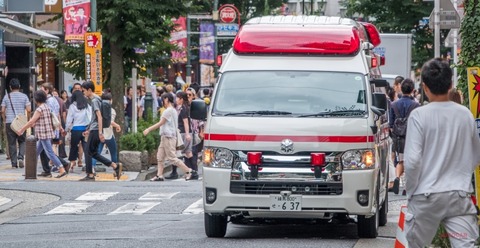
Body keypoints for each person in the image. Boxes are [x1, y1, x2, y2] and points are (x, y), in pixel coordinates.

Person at [404, 58, 480, 247]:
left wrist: (412, 192)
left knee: (416, 244)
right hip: (458, 196)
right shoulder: (465, 115)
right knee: (466, 245)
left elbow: (412, 161)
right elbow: (476, 155)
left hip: (426, 195)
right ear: (451, 85)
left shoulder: (419, 115)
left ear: (425, 87)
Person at [143, 93, 198, 181]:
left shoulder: (168, 111)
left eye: (163, 99)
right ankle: (159, 175)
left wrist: (149, 129)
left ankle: (190, 171)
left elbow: (161, 123)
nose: (162, 102)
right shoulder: (173, 110)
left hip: (168, 137)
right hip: (165, 136)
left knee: (172, 158)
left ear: (166, 99)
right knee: (160, 157)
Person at [16, 90, 69, 178]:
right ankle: (30, 171)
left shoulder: (39, 109)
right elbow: (52, 118)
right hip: (45, 134)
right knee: (35, 152)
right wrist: (60, 128)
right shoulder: (47, 107)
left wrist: (21, 129)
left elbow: (31, 121)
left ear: (36, 99)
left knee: (50, 153)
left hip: (43, 134)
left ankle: (61, 169)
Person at [81, 81, 122, 181]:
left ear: (89, 90)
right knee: (92, 152)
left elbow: (99, 117)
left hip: (96, 129)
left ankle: (90, 174)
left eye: (84, 91)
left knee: (89, 151)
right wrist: (89, 129)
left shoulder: (95, 100)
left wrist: (99, 132)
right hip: (95, 129)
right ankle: (114, 166)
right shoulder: (98, 99)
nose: (83, 93)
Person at [389, 78, 420, 195]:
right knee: (409, 163)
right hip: (411, 138)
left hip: (398, 138)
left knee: (400, 161)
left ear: (401, 88)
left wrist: (396, 133)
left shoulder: (394, 105)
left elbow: (391, 124)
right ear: (412, 90)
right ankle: (407, 187)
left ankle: (397, 178)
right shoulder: (416, 105)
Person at [1, 78, 31, 168]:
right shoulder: (24, 96)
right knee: (22, 140)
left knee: (11, 143)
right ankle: (20, 157)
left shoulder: (7, 97)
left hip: (10, 123)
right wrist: (28, 119)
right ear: (19, 86)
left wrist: (4, 119)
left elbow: (2, 110)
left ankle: (14, 164)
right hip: (21, 123)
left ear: (10, 87)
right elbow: (29, 110)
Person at [91, 92, 122, 170]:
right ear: (111, 100)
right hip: (108, 134)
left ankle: (92, 168)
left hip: (99, 132)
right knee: (113, 152)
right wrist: (117, 125)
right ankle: (115, 169)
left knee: (96, 152)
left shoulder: (98, 108)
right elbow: (110, 122)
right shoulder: (111, 110)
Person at [65, 90, 91, 172]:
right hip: (85, 130)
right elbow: (90, 117)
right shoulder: (87, 105)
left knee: (73, 147)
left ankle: (72, 164)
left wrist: (66, 129)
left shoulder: (72, 106)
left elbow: (69, 120)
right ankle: (89, 165)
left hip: (75, 130)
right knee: (86, 148)